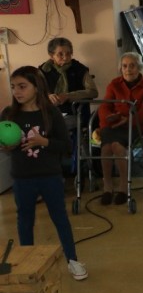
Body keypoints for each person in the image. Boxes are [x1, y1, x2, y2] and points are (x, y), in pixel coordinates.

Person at [1, 66, 88, 281]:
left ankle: (73, 261)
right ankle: (29, 265)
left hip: (49, 176)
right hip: (22, 178)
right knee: (25, 220)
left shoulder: (50, 113)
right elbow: (4, 142)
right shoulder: (8, 114)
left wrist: (44, 142)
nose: (17, 92)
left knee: (60, 218)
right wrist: (7, 146)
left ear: (36, 87)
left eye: (22, 86)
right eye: (13, 87)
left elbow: (66, 145)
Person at [96, 52, 143, 206]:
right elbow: (104, 107)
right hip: (112, 125)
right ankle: (108, 187)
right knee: (106, 148)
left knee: (116, 146)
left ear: (139, 68)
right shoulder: (114, 84)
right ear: (121, 69)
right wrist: (110, 118)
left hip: (135, 125)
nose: (128, 69)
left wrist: (126, 120)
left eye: (132, 66)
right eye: (125, 66)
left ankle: (123, 187)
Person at [38, 37, 98, 130]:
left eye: (68, 53)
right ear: (51, 55)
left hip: (74, 113)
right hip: (49, 112)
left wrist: (68, 96)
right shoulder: (43, 71)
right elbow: (35, 92)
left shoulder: (79, 69)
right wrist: (48, 96)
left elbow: (93, 92)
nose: (65, 58)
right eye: (60, 54)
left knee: (54, 126)